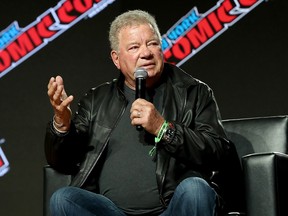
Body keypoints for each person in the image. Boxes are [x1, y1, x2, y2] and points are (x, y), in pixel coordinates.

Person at [45, 9, 237, 216]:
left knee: (195, 190)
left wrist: (164, 129)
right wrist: (62, 124)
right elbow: (63, 162)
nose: (146, 53)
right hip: (112, 212)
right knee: (63, 199)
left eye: (152, 43)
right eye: (134, 47)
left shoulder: (193, 92)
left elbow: (219, 153)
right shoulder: (96, 100)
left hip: (173, 210)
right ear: (116, 59)